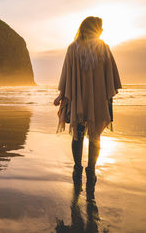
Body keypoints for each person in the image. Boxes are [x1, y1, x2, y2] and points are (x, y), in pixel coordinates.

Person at [54, 16, 122, 197]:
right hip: (97, 99)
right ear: (93, 29)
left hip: (79, 98)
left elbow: (67, 77)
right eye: (100, 27)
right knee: (93, 135)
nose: (101, 31)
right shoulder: (102, 48)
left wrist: (63, 95)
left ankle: (79, 169)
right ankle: (90, 171)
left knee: (79, 134)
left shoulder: (74, 48)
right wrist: (108, 99)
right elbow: (111, 78)